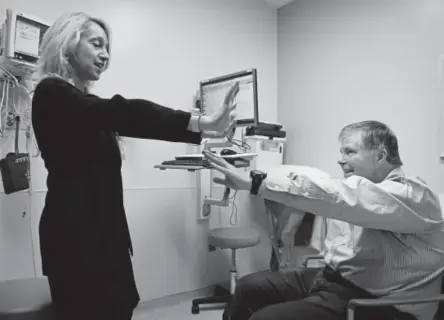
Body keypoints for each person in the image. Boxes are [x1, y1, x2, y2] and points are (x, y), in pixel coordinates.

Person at [30, 12, 239, 320]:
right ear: (69, 44)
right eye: (96, 44)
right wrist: (199, 122)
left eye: (107, 48)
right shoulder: (52, 92)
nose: (105, 55)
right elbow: (124, 112)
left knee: (122, 305)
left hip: (102, 236)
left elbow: (113, 119)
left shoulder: (80, 105)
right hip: (76, 241)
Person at [203, 120, 444, 320]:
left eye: (349, 152)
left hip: (380, 303)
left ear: (381, 155)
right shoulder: (360, 191)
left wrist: (257, 183)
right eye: (341, 152)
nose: (341, 159)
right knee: (247, 288)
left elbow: (343, 197)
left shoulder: (411, 196)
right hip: (333, 279)